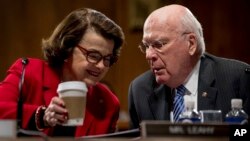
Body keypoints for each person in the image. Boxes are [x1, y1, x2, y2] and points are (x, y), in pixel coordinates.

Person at [0, 8, 125, 137]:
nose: (101, 66)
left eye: (107, 58)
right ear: (67, 47)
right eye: (93, 55)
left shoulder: (109, 102)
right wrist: (41, 116)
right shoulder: (29, 71)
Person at [128, 4, 250, 129]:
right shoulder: (140, 90)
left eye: (159, 44)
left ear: (191, 44)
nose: (149, 55)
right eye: (146, 46)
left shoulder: (238, 79)